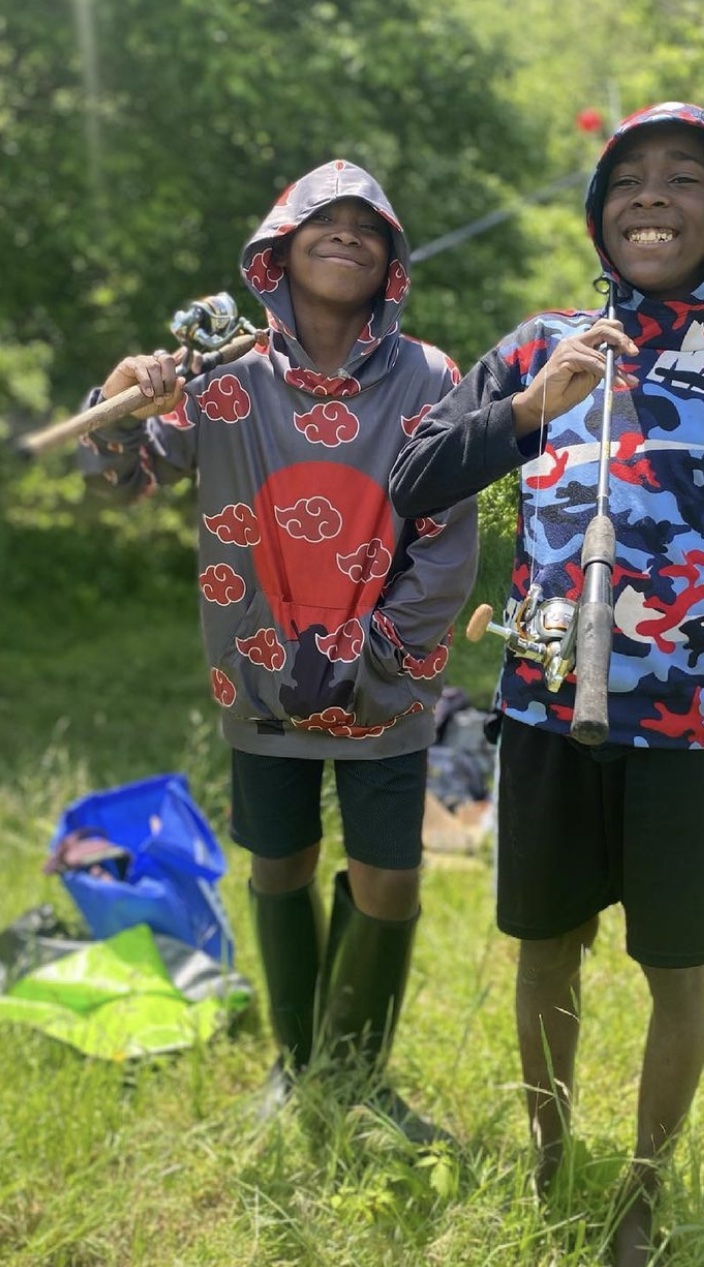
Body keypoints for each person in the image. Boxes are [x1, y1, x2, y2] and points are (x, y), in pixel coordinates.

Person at [389, 102, 704, 1267]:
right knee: (547, 940)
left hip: (691, 728)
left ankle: (642, 1190)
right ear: (597, 211)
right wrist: (531, 407)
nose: (650, 195)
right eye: (626, 178)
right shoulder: (543, 345)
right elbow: (414, 478)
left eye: (681, 178)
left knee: (674, 962)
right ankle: (549, 1156)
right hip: (543, 705)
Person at [77, 159, 478, 1144]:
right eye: (321, 220)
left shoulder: (429, 378)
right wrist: (124, 400)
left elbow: (445, 538)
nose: (344, 233)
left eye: (365, 224)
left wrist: (376, 660)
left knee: (390, 880)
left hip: (384, 680)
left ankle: (358, 1074)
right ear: (277, 249)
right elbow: (114, 478)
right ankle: (298, 1070)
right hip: (257, 671)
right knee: (281, 865)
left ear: (390, 258)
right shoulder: (220, 380)